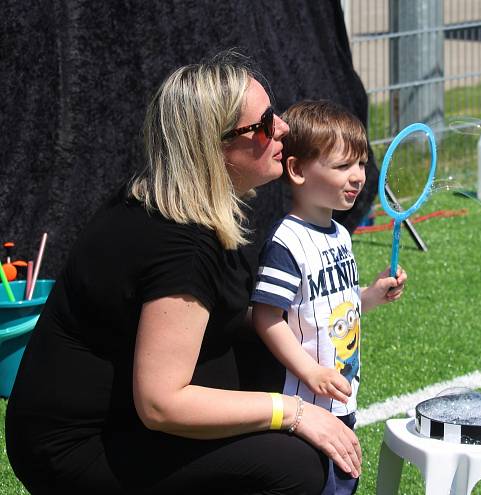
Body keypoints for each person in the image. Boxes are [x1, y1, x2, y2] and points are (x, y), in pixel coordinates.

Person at [5, 53, 362, 494]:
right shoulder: (183, 247)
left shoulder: (170, 197)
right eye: (265, 123)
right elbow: (161, 404)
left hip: (113, 418)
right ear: (214, 147)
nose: (284, 127)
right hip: (78, 448)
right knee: (294, 466)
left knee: (270, 358)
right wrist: (294, 412)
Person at [250, 100, 406, 494]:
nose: (357, 177)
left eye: (361, 164)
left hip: (340, 399)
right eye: (342, 166)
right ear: (298, 170)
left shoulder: (339, 233)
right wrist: (310, 372)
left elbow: (335, 305)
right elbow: (265, 317)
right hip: (303, 409)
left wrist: (371, 295)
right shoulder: (287, 241)